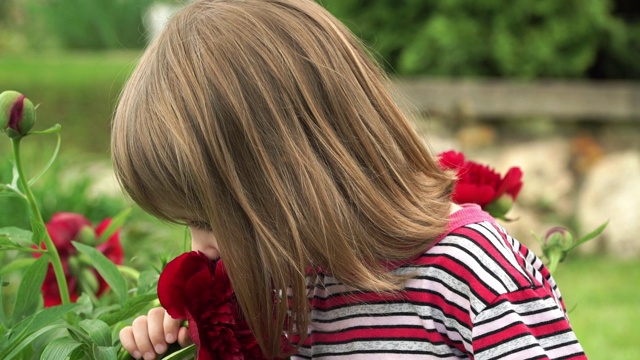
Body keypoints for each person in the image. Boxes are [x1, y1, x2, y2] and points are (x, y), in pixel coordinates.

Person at [112, 0, 587, 359]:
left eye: (213, 218)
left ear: (304, 166)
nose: (201, 247)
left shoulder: (466, 272)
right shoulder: (281, 282)